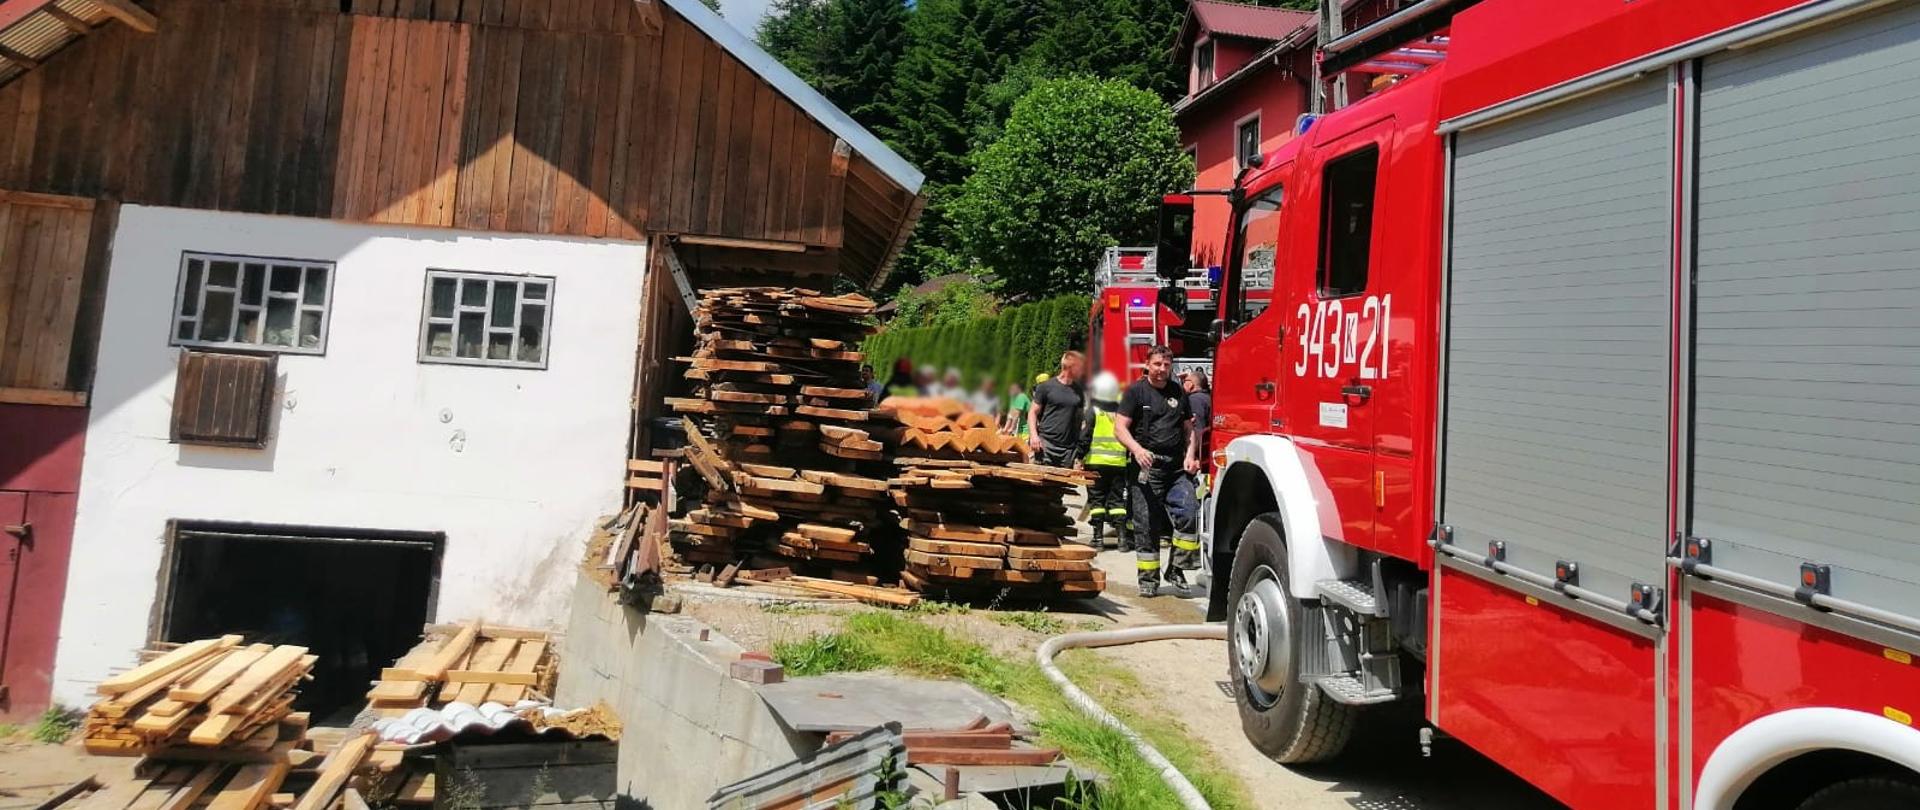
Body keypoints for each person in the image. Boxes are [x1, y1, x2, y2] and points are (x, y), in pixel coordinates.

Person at [1114, 346, 1201, 597]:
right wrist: (1137, 450)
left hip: (1175, 469)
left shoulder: (1178, 392)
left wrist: (1190, 455)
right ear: (1147, 365)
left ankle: (1176, 568)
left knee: (1189, 513)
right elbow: (1120, 428)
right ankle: (1148, 581)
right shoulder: (1135, 392)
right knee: (1147, 526)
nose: (1162, 370)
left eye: (1166, 365)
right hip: (1146, 468)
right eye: (1157, 364)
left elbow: (1188, 430)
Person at [1080, 371, 1131, 549]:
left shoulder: (1094, 410)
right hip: (1118, 463)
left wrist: (1079, 455)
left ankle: (1098, 539)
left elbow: (1086, 435)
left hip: (1096, 462)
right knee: (1117, 502)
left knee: (1097, 501)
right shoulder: (1123, 411)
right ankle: (1123, 541)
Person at [1027, 352, 1085, 468]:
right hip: (1045, 445)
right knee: (1039, 484)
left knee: (1062, 485)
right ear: (1070, 367)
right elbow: (1032, 412)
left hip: (1067, 451)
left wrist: (1079, 450)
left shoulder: (1079, 391)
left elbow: (1081, 421)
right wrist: (1034, 436)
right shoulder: (1046, 387)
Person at [1182, 367, 1213, 465]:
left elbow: (1197, 429)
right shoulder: (1208, 398)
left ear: (1190, 384)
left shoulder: (1194, 400)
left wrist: (1193, 456)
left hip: (1199, 457)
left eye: (1185, 381)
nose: (1183, 383)